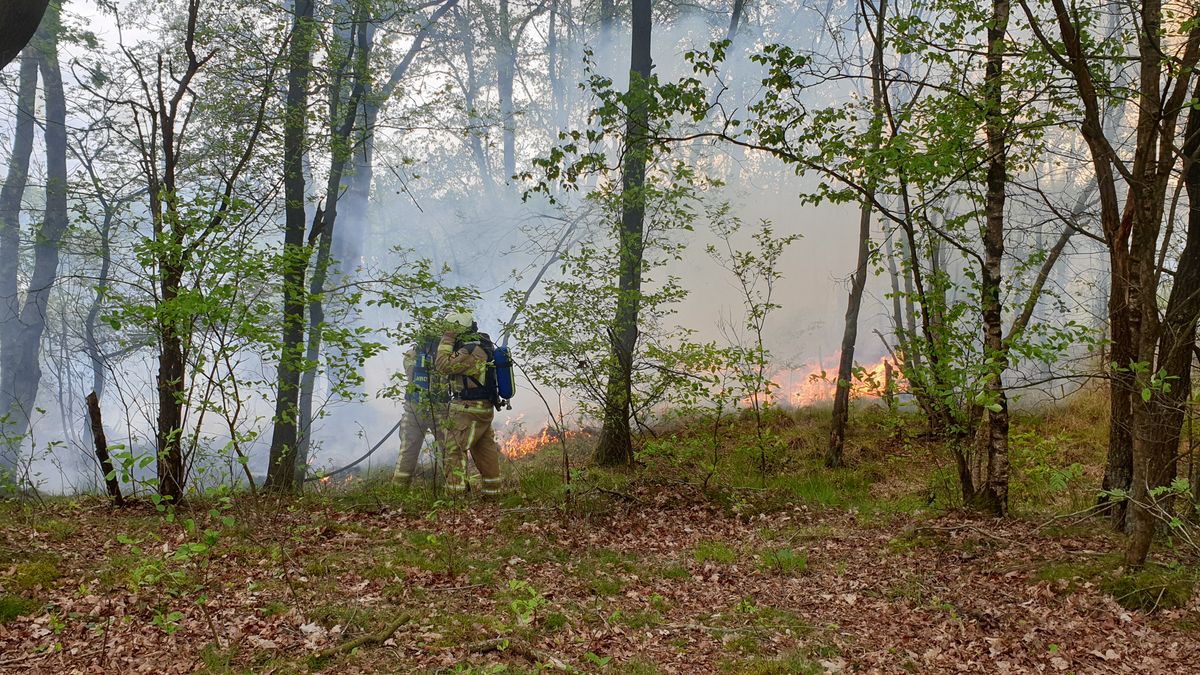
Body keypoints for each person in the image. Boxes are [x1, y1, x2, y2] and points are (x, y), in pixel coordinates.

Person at [435, 311, 502, 496]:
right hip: (479, 408)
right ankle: (493, 493)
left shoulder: (471, 349)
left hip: (469, 409)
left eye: (450, 330)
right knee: (484, 450)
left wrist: (447, 339)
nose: (447, 333)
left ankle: (455, 499)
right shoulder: (476, 345)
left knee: (453, 450)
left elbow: (442, 365)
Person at [392, 334, 447, 485]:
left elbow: (410, 378)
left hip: (413, 409)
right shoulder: (442, 356)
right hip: (439, 410)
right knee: (447, 449)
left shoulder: (410, 354)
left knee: (407, 451)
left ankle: (398, 490)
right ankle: (454, 488)